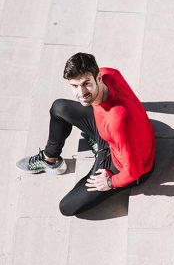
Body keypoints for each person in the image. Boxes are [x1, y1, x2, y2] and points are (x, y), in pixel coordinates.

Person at [16, 53, 156, 216]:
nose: (81, 92)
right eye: (74, 86)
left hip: (122, 165)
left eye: (86, 84)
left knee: (67, 207)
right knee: (59, 108)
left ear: (98, 78)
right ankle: (50, 159)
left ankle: (100, 153)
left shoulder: (117, 120)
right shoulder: (110, 74)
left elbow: (134, 171)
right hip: (113, 136)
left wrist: (110, 182)